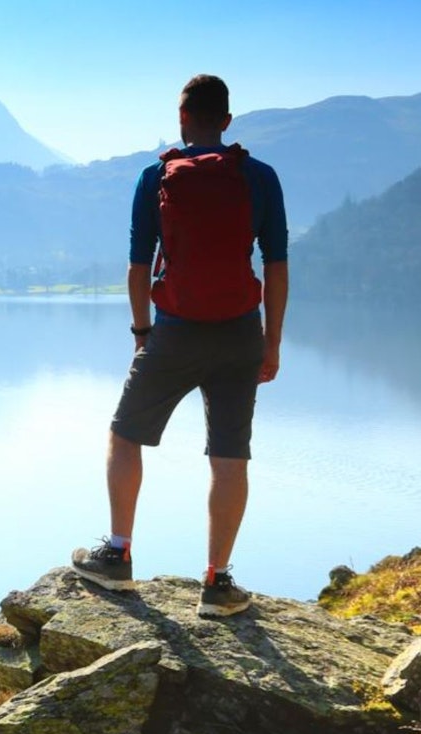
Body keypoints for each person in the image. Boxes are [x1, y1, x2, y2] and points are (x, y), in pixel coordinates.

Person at [71, 74, 288, 618]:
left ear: (183, 118)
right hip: (241, 331)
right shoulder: (259, 177)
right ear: (228, 120)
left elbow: (138, 264)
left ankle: (117, 555)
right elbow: (277, 266)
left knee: (124, 436)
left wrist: (143, 332)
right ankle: (217, 584)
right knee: (229, 455)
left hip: (175, 330)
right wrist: (272, 343)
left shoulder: (156, 176)